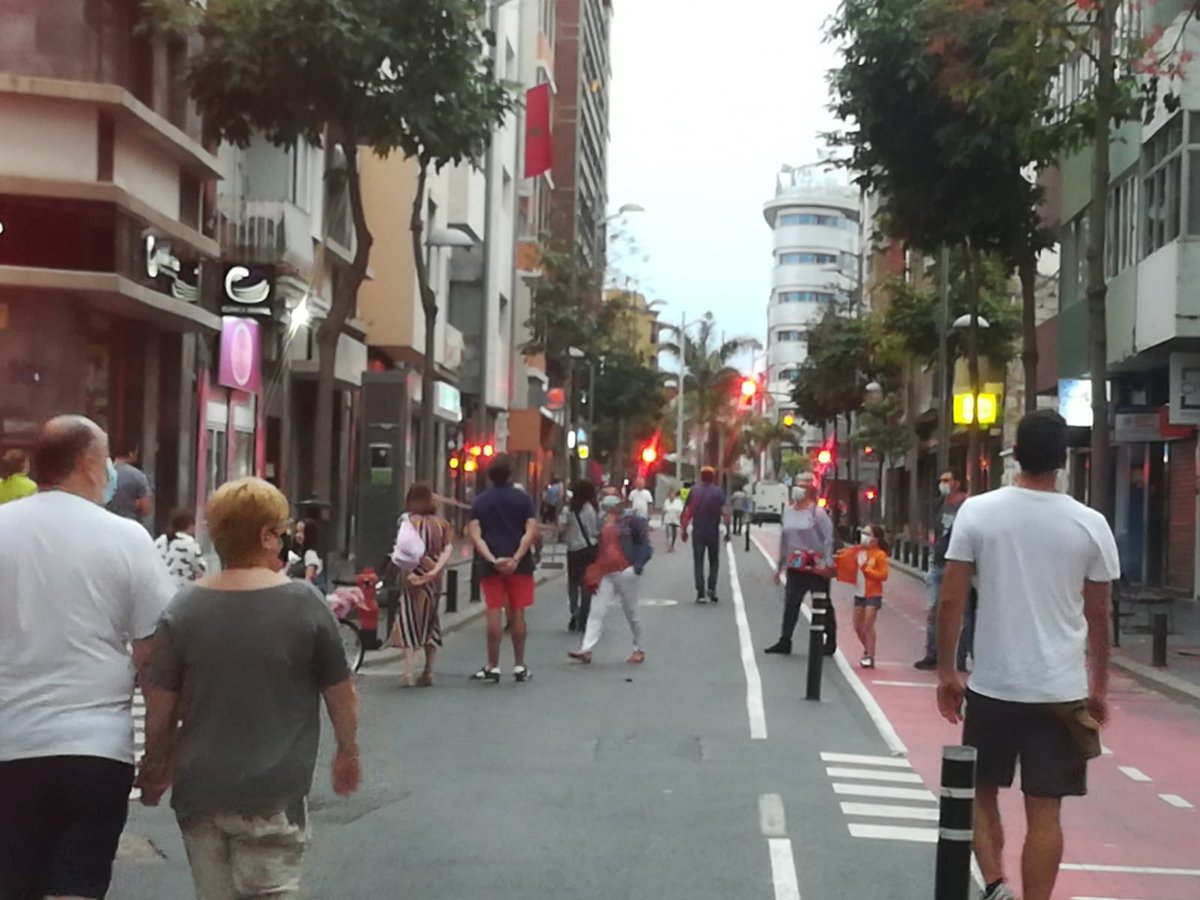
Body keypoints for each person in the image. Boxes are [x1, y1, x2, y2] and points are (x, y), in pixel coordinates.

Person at [139, 477, 361, 899]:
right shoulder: (304, 603)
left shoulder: (183, 608)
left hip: (201, 791)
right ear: (265, 537)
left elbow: (162, 705)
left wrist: (156, 765)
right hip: (273, 794)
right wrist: (347, 750)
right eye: (281, 532)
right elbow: (341, 694)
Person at [936, 410, 1119, 900]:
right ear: (1062, 461)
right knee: (1045, 810)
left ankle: (995, 884)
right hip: (1060, 691)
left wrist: (947, 671)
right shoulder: (1091, 525)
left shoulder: (977, 512)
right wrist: (1099, 688)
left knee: (979, 791)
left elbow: (952, 598)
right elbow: (1099, 617)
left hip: (993, 686)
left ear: (1015, 454)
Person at [0, 416, 176, 900]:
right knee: (77, 885)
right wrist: (158, 755)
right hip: (95, 749)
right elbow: (154, 659)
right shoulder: (127, 539)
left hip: (9, 745)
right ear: (89, 464)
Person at [467, 455, 540, 683]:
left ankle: (493, 665)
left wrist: (492, 560)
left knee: (493, 611)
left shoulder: (480, 502)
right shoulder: (523, 500)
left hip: (492, 566)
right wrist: (516, 558)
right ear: (511, 475)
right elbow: (531, 531)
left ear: (490, 477)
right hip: (520, 565)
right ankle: (519, 665)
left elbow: (475, 536)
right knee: (517, 613)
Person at [568, 494, 651, 665]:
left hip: (624, 570)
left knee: (631, 612)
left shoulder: (631, 521)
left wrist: (637, 566)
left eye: (610, 507)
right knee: (596, 610)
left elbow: (645, 545)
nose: (608, 511)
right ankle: (586, 648)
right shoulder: (603, 522)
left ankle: (639, 648)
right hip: (605, 572)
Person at [765, 473, 836, 655]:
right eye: (797, 485)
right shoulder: (788, 512)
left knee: (822, 602)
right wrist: (780, 566)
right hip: (795, 563)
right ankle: (785, 640)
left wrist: (828, 563)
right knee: (791, 602)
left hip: (815, 563)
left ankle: (830, 640)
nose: (799, 490)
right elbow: (785, 539)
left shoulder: (818, 514)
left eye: (803, 486)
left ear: (810, 490)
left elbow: (828, 539)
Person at [392, 483, 454, 687]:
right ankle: (428, 670)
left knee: (408, 617)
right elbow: (447, 549)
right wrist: (435, 571)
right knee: (430, 619)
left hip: (412, 574)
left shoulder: (407, 522)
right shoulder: (442, 524)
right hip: (433, 577)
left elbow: (402, 550)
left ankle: (408, 671)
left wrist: (408, 574)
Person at [915, 470, 972, 671]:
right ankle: (932, 654)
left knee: (962, 614)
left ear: (957, 483)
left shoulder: (968, 505)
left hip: (960, 565)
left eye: (947, 480)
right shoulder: (939, 504)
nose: (943, 484)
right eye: (941, 481)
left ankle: (960, 657)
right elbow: (934, 530)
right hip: (938, 562)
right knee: (934, 611)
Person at [837, 524, 890, 669]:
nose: (864, 536)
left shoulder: (879, 555)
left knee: (868, 625)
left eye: (868, 534)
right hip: (859, 593)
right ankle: (867, 648)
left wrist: (868, 571)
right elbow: (844, 558)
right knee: (857, 626)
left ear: (876, 538)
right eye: (863, 533)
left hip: (873, 593)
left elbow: (884, 575)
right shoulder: (857, 551)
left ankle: (870, 656)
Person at [680, 466, 731, 603]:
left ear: (701, 477)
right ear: (712, 478)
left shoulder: (694, 491)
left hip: (698, 531)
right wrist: (728, 531)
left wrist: (684, 529)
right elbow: (725, 512)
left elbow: (688, 512)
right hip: (713, 531)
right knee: (714, 561)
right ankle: (711, 588)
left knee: (698, 561)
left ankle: (700, 593)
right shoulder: (718, 492)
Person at [563, 479, 600, 633]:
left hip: (573, 550)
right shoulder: (591, 509)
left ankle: (574, 611)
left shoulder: (569, 509)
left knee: (573, 583)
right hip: (588, 549)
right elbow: (595, 530)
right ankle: (584, 617)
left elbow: (561, 527)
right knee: (587, 584)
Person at [155, 507, 207, 586]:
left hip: (161, 585)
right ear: (190, 525)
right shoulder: (190, 543)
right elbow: (201, 568)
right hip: (182, 588)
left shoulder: (159, 541)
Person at [107, 442, 153, 524]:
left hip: (106, 522)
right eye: (136, 453)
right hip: (130, 522)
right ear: (131, 454)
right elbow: (146, 509)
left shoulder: (102, 473)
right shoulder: (138, 475)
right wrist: (134, 504)